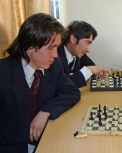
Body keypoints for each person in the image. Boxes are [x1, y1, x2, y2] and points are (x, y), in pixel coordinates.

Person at [0, 13, 80, 153]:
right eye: (50, 48)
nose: (55, 55)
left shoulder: (53, 67)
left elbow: (72, 92)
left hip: (45, 140)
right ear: (30, 47)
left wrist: (45, 112)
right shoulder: (3, 72)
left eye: (57, 47)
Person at [58, 21, 111, 88]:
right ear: (73, 39)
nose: (88, 49)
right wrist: (88, 70)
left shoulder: (77, 52)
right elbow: (61, 86)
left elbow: (91, 65)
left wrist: (91, 70)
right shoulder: (55, 56)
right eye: (87, 42)